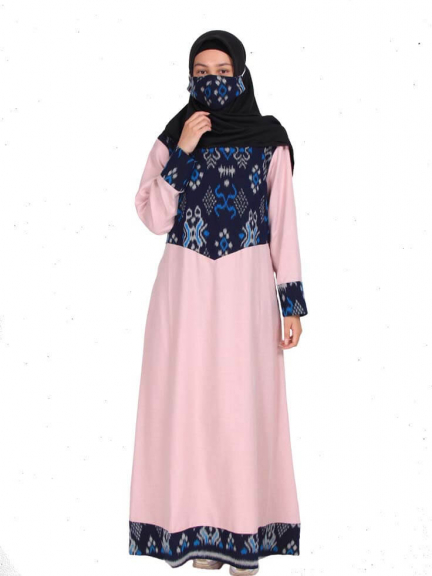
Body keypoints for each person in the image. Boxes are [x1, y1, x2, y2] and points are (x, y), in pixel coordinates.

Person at [128, 30, 308, 575]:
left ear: (241, 75)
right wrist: (184, 151)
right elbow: (154, 216)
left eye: (223, 72)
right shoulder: (173, 137)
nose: (212, 81)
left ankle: (244, 536)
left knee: (241, 409)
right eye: (201, 73)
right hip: (183, 294)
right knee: (190, 409)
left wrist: (291, 303)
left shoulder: (269, 140)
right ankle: (201, 538)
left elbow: (284, 223)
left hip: (246, 295)